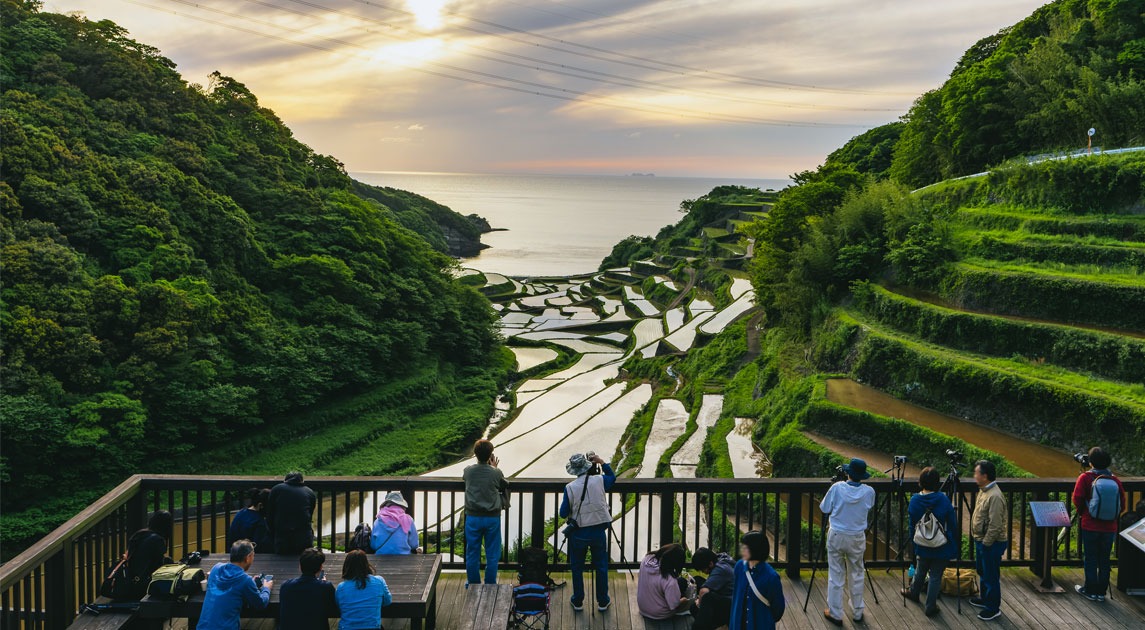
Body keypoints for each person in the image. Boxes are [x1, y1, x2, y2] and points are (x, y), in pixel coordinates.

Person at [817, 458, 875, 626]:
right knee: (857, 573)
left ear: (848, 473)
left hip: (837, 535)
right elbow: (868, 506)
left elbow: (824, 508)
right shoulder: (869, 491)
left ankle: (835, 613)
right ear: (862, 476)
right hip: (857, 537)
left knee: (835, 574)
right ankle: (857, 612)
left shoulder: (836, 488)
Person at [559, 452, 616, 612]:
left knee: (577, 567)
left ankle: (578, 601)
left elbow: (563, 513)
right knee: (601, 566)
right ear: (587, 465)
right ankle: (603, 601)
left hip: (578, 533)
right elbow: (612, 478)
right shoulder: (599, 480)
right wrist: (602, 462)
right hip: (598, 531)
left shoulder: (569, 488)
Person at [1071, 446, 1127, 602]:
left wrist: (1084, 513)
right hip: (1109, 528)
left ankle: (1090, 590)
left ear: (1091, 462)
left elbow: (1077, 498)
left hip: (1090, 525)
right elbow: (1122, 505)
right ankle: (1101, 592)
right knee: (1104, 559)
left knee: (1090, 558)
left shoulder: (1085, 478)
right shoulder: (1115, 480)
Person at [901, 467, 958, 617]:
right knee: (935, 576)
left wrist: (915, 542)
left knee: (920, 569)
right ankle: (930, 606)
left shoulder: (915, 500)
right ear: (937, 483)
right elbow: (952, 523)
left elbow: (911, 524)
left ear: (920, 482)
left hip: (922, 543)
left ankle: (914, 593)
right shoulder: (943, 499)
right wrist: (951, 540)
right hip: (941, 544)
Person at [463, 438, 508, 585]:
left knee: (472, 552)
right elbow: (504, 484)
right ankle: (490, 583)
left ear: (475, 454)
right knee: (492, 553)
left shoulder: (468, 471)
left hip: (473, 517)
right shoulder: (496, 473)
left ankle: (473, 583)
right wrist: (494, 467)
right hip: (492, 517)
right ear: (490, 455)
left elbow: (465, 478)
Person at [198, 540, 271, 629]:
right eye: (253, 556)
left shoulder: (216, 568)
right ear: (248, 557)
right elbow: (260, 604)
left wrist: (249, 584)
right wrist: (266, 588)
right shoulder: (245, 580)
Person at [970, 460, 1007, 622]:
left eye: (976, 473)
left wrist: (986, 542)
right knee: (983, 571)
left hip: (991, 542)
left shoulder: (995, 496)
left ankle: (993, 608)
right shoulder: (984, 490)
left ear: (984, 476)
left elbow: (995, 524)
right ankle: (985, 599)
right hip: (982, 540)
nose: (974, 476)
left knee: (991, 575)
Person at [112, 510, 173, 602]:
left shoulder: (140, 534)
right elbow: (158, 567)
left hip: (127, 579)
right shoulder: (157, 540)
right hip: (141, 586)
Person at [729, 531, 785, 630]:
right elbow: (736, 597)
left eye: (745, 548)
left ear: (755, 550)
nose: (742, 551)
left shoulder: (771, 577)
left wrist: (765, 620)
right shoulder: (739, 566)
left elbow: (778, 609)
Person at [279, 548, 337, 630]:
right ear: (320, 568)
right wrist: (323, 584)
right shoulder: (325, 587)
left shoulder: (286, 586)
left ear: (300, 566)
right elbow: (333, 610)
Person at [637, 543, 692, 627]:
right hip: (660, 614)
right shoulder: (669, 580)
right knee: (682, 584)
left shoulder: (646, 560)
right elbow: (673, 605)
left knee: (680, 582)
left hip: (643, 607)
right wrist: (683, 600)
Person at [336, 549, 392, 630]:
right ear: (366, 564)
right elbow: (388, 601)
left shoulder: (341, 587)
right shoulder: (379, 581)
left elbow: (339, 605)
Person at [267, 472, 317, 555]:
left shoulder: (277, 489)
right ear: (302, 481)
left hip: (282, 536)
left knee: (280, 559)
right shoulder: (309, 492)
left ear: (285, 481)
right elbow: (309, 514)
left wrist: (273, 533)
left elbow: (270, 514)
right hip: (304, 537)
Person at [690, 547, 735, 630]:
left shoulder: (720, 569)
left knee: (706, 598)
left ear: (710, 564)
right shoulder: (722, 560)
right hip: (728, 597)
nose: (704, 572)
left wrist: (699, 603)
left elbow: (704, 591)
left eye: (703, 569)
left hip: (731, 605)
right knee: (697, 580)